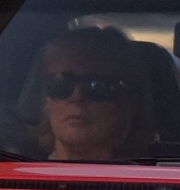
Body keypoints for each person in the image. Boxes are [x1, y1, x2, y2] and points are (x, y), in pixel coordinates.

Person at [33, 25, 155, 161]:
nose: (76, 96)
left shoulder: (150, 180)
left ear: (130, 103)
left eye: (97, 86)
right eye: (61, 84)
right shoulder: (16, 170)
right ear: (45, 101)